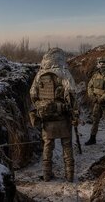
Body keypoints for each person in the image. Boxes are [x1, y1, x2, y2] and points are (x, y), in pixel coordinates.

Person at [29, 48, 78, 182]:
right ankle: (69, 176)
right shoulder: (64, 73)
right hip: (63, 117)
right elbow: (72, 94)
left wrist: (43, 107)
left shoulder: (40, 74)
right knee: (67, 146)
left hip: (46, 118)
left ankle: (46, 175)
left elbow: (33, 95)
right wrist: (74, 113)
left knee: (47, 146)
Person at [85, 57, 105, 145]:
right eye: (101, 64)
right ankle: (92, 138)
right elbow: (89, 87)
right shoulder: (96, 75)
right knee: (95, 120)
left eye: (104, 64)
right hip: (96, 101)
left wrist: (102, 98)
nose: (102, 65)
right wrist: (93, 97)